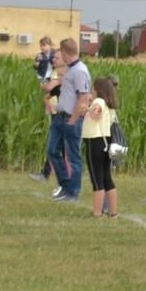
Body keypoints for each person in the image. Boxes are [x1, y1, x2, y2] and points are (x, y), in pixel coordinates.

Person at [45, 38, 91, 203]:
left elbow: (84, 98)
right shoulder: (70, 70)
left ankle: (74, 191)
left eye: (59, 54)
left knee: (73, 156)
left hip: (71, 119)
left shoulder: (79, 71)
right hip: (60, 118)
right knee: (52, 151)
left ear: (65, 53)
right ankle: (65, 185)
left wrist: (73, 120)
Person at [82, 76, 121, 218]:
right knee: (106, 177)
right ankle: (113, 212)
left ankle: (97, 212)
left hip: (95, 142)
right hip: (106, 142)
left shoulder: (98, 101)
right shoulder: (110, 106)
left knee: (96, 178)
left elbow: (96, 108)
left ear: (98, 90)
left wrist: (91, 111)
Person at [29, 36, 56, 182]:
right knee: (55, 144)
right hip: (55, 109)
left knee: (59, 144)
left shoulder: (59, 74)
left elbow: (51, 88)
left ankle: (49, 173)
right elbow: (36, 67)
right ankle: (46, 173)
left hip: (61, 113)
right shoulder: (41, 58)